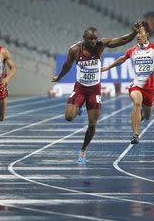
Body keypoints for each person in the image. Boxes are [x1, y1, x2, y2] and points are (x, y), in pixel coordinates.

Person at [52, 22, 142, 163]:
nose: (94, 42)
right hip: (80, 88)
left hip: (94, 90)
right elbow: (67, 65)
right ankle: (79, 107)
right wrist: (59, 77)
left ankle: (82, 150)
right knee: (69, 117)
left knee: (92, 124)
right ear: (84, 38)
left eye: (95, 39)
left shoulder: (100, 46)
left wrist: (133, 33)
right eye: (90, 39)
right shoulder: (75, 50)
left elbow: (122, 40)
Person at [101, 24, 154, 145]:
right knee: (137, 102)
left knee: (147, 116)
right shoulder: (133, 50)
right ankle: (135, 135)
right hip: (136, 85)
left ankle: (138, 117)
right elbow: (121, 59)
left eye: (141, 34)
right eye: (137, 34)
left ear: (146, 35)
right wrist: (107, 67)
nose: (138, 36)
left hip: (150, 88)